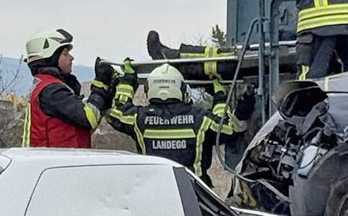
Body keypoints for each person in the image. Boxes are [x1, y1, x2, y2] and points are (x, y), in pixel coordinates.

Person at [107, 62, 255, 182]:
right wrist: (219, 96)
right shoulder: (201, 118)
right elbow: (230, 127)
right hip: (196, 195)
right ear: (182, 89)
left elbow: (116, 112)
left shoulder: (138, 118)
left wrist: (128, 80)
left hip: (154, 190)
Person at [21, 28, 116, 148]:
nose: (71, 58)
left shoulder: (46, 86)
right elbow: (88, 118)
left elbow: (81, 128)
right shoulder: (52, 90)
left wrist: (105, 97)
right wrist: (100, 85)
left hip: (54, 162)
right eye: (65, 54)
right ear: (51, 58)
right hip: (56, 163)